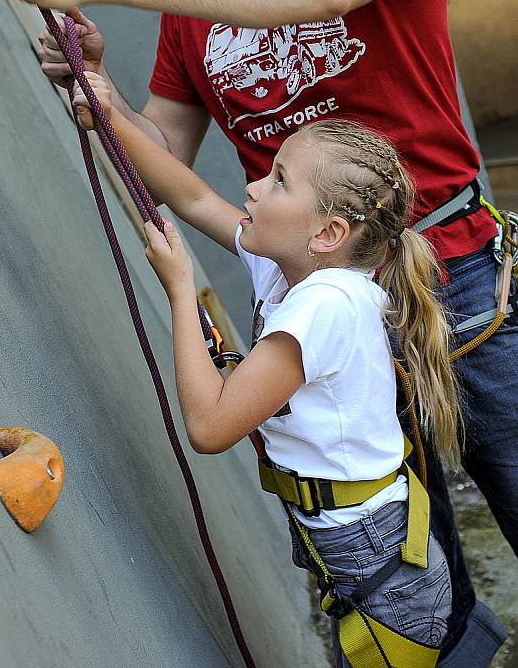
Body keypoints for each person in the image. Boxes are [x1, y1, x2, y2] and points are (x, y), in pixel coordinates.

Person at [0, 0, 515, 663]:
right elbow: (175, 169)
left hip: (458, 278)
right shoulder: (191, 10)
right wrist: (99, 93)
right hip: (318, 307)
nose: (258, 184)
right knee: (398, 575)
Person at [74, 74, 458, 664]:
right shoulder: (289, 270)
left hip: (379, 566)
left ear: (327, 234)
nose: (253, 187)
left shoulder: (327, 304)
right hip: (358, 546)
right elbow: (193, 196)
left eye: (279, 181)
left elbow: (210, 427)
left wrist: (182, 293)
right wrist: (110, 119)